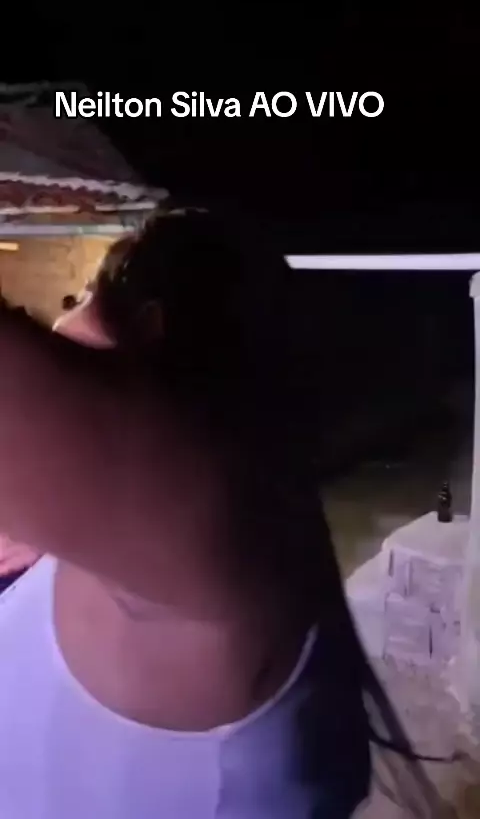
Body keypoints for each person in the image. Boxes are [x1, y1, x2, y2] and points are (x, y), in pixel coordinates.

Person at [0, 209, 446, 818]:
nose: (57, 323)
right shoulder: (244, 517)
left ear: (149, 327)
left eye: (81, 299)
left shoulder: (212, 528)